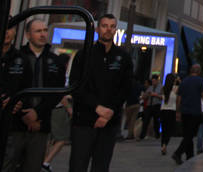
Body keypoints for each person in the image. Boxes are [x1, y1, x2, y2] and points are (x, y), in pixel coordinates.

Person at [69, 13, 133, 172]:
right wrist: (96, 108)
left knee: (101, 166)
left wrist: (109, 112)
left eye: (112, 27)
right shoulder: (84, 54)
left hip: (109, 123)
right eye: (105, 26)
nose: (108, 30)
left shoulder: (123, 57)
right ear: (98, 29)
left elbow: (125, 88)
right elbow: (76, 86)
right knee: (78, 165)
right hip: (84, 120)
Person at [2, 18, 66, 171]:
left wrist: (37, 114)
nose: (43, 34)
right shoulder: (15, 58)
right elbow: (11, 88)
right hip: (15, 124)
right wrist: (25, 114)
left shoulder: (55, 61)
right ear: (28, 35)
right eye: (38, 31)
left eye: (45, 30)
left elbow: (57, 92)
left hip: (41, 125)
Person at [172, 64, 203, 164]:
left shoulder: (184, 81)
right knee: (190, 135)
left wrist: (178, 111)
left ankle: (189, 156)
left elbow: (179, 98)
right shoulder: (200, 81)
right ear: (199, 71)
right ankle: (178, 153)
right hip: (195, 111)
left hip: (184, 111)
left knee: (187, 134)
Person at [40, 94, 72, 172]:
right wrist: (69, 108)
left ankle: (44, 162)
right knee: (62, 138)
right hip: (58, 108)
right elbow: (61, 95)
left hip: (50, 107)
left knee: (49, 138)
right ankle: (45, 162)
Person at [159, 73, 179, 155]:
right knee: (169, 130)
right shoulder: (175, 88)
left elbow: (162, 97)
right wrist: (178, 81)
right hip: (172, 110)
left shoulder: (163, 88)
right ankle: (165, 145)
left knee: (164, 129)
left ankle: (163, 145)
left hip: (163, 110)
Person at [138, 73, 162, 139]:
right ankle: (142, 135)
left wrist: (155, 95)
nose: (153, 82)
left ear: (157, 80)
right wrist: (146, 95)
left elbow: (163, 97)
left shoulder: (161, 87)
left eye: (154, 81)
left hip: (156, 105)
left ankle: (157, 134)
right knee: (146, 120)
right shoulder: (150, 88)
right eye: (152, 81)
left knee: (156, 121)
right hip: (149, 105)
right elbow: (144, 96)